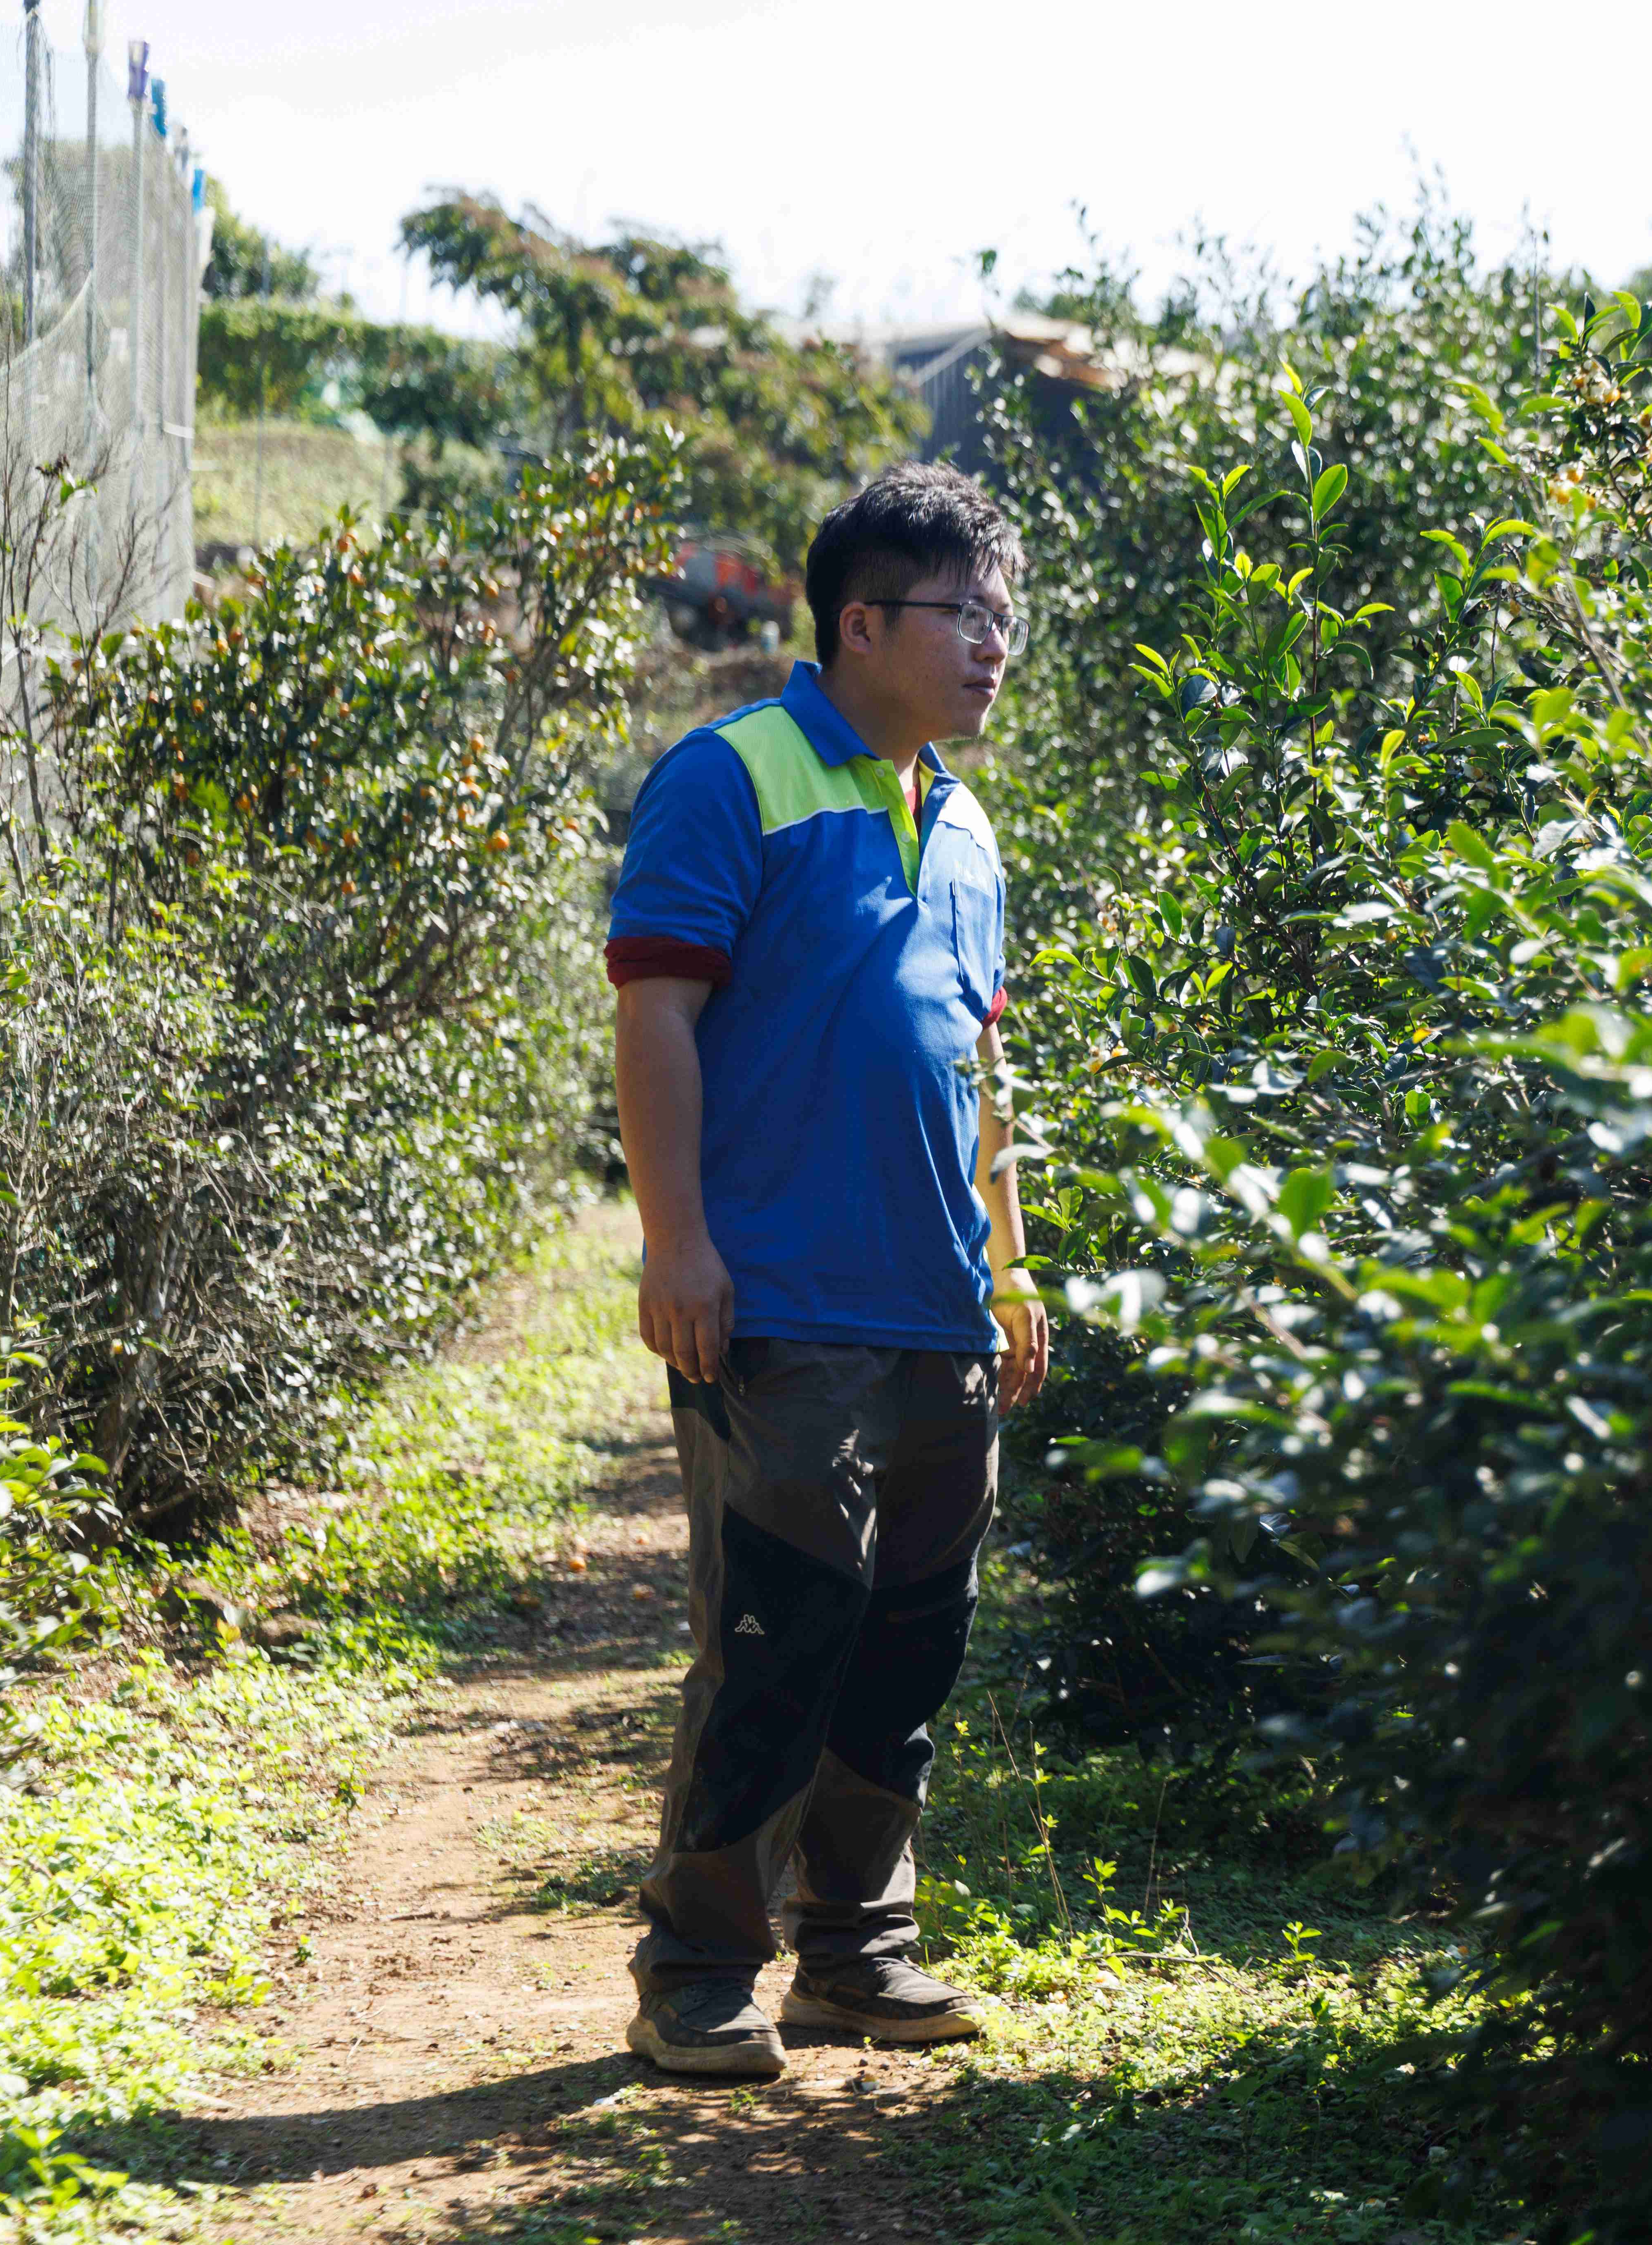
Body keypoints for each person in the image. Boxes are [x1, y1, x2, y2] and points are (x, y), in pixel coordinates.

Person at [604, 462, 1051, 2078]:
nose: (994, 643)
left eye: (1006, 613)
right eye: (964, 613)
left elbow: (976, 1069)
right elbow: (655, 1009)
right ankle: (700, 1964)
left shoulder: (972, 822)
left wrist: (1009, 1270)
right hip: (779, 1305)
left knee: (909, 1642)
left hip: (937, 1310)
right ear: (861, 622)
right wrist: (678, 1242)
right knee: (779, 1637)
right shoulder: (734, 775)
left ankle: (856, 1952)